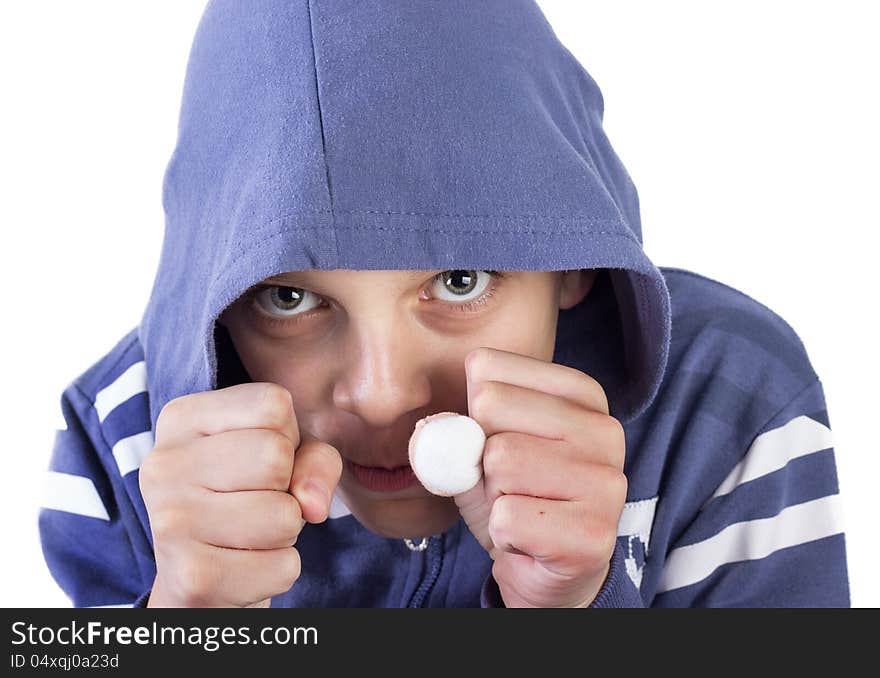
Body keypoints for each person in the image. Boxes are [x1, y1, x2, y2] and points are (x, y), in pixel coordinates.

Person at [38, 0, 849, 608]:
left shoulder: (728, 408)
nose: (383, 392)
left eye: (460, 281)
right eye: (289, 299)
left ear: (572, 264)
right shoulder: (129, 443)